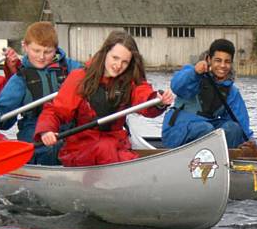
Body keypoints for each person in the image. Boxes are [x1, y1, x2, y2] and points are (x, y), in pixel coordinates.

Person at [33, 31, 174, 167]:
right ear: (105, 53)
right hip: (82, 147)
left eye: (125, 62)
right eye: (115, 58)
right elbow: (56, 111)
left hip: (116, 144)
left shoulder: (130, 81)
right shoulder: (80, 78)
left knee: (112, 151)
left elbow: (144, 97)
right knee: (105, 148)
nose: (118, 66)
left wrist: (158, 101)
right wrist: (47, 130)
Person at [0, 22, 82, 165]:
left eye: (47, 52)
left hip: (68, 125)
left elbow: (92, 76)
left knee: (85, 143)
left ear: (55, 49)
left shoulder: (71, 68)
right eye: (36, 51)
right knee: (50, 148)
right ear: (25, 46)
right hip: (33, 127)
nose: (41, 57)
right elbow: (4, 109)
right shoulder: (21, 78)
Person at [161, 39, 256, 149]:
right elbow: (176, 86)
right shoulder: (191, 73)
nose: (222, 65)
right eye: (218, 60)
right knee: (205, 129)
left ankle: (222, 162)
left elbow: (241, 121)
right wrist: (195, 73)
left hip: (208, 129)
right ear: (209, 59)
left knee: (233, 128)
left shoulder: (231, 91)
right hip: (177, 131)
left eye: (227, 62)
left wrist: (251, 142)